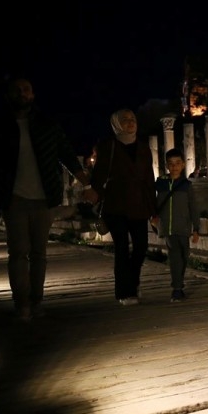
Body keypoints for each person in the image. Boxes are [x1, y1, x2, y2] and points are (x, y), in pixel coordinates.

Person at [0, 75, 96, 323]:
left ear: (32, 95)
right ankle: (21, 303)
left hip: (44, 198)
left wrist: (87, 183)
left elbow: (66, 153)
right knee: (18, 253)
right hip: (14, 199)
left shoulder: (46, 124)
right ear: (9, 96)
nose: (22, 93)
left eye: (27, 89)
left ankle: (37, 301)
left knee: (39, 253)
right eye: (17, 90)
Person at [91, 108, 156, 306]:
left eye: (132, 119)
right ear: (117, 124)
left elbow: (149, 179)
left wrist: (153, 209)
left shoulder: (144, 148)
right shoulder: (108, 146)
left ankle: (133, 282)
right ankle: (123, 292)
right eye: (125, 120)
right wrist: (94, 196)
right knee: (121, 248)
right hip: (115, 205)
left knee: (141, 247)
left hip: (139, 204)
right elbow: (99, 176)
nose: (130, 123)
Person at [152, 148, 200, 302]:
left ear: (183, 165)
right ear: (167, 165)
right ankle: (177, 289)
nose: (174, 166)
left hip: (184, 227)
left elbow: (193, 207)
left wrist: (196, 229)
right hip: (168, 227)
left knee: (184, 256)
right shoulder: (160, 183)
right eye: (171, 164)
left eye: (177, 163)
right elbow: (152, 202)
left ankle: (178, 283)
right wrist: (152, 217)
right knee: (175, 257)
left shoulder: (186, 185)